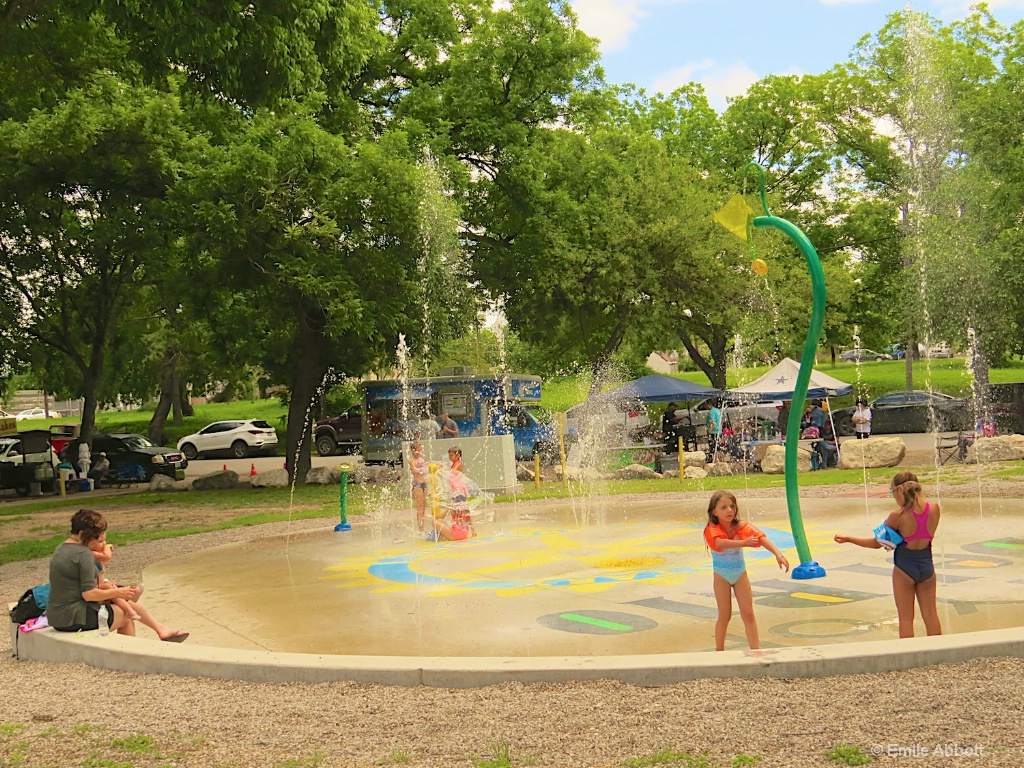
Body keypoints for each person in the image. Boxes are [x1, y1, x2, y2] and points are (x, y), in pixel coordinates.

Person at [48, 509, 189, 641]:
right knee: (127, 617)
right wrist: (118, 592)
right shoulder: (84, 554)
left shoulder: (62, 548)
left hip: (57, 615)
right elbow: (88, 594)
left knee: (122, 600)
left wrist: (114, 591)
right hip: (75, 618)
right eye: (97, 540)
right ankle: (128, 658)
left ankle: (160, 629)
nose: (100, 543)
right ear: (82, 535)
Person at [834, 471, 941, 639]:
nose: (894, 498)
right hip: (927, 567)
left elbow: (877, 544)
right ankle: (939, 651)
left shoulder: (897, 516)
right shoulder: (934, 509)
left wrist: (849, 539)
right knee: (931, 614)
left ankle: (908, 658)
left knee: (906, 619)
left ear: (900, 489)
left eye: (892, 493)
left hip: (904, 569)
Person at [704, 490, 789, 651]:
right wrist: (744, 543)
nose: (729, 510)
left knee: (748, 614)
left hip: (739, 574)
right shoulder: (711, 528)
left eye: (732, 506)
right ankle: (719, 650)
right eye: (723, 507)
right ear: (714, 512)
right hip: (721, 576)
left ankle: (755, 650)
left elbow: (761, 538)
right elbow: (720, 543)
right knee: (724, 616)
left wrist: (778, 554)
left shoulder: (740, 526)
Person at [91, 540, 140, 620]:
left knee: (111, 587)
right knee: (111, 590)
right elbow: (106, 556)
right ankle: (129, 610)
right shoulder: (89, 555)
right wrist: (107, 548)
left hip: (97, 585)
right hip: (92, 589)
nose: (104, 544)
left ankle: (131, 597)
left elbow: (101, 577)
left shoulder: (97, 559)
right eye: (100, 542)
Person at [409, 442, 428, 533]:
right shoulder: (412, 460)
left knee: (424, 508)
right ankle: (420, 529)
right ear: (413, 450)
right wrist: (422, 470)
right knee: (419, 508)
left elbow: (424, 471)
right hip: (418, 485)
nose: (419, 452)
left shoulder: (422, 460)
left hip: (424, 484)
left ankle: (422, 527)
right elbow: (414, 471)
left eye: (420, 450)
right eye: (418, 450)